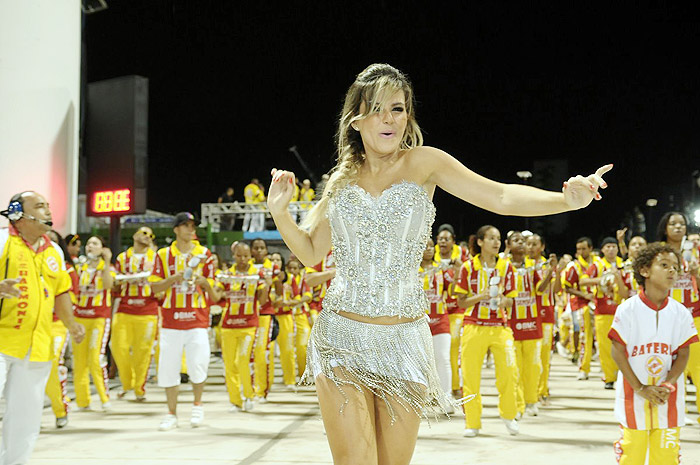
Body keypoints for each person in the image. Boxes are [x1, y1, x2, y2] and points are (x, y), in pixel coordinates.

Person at [266, 63, 609, 464]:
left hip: (404, 340)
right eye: (377, 109)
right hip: (340, 339)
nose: (389, 119)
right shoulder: (340, 180)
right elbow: (309, 252)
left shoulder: (426, 163)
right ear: (356, 118)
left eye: (398, 108)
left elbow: (498, 197)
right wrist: (280, 212)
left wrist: (564, 200)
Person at [0, 191, 85, 464]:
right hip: (2, 341)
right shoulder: (2, 241)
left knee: (26, 415)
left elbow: (61, 292)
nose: (48, 210)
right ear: (18, 214)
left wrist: (71, 324)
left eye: (48, 205)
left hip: (37, 346)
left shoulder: (54, 251)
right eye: (39, 206)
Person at [609, 243, 698, 464]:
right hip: (633, 397)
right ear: (645, 271)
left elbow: (683, 353)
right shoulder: (627, 309)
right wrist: (640, 387)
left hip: (668, 399)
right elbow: (617, 352)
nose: (671, 271)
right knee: (631, 456)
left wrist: (668, 384)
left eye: (675, 267)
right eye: (664, 265)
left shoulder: (680, 312)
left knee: (667, 458)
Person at [149, 212, 217, 430]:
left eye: (192, 225)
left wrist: (204, 282)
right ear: (176, 229)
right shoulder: (162, 255)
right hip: (170, 321)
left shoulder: (205, 254)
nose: (191, 229)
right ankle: (171, 413)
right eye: (186, 225)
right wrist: (174, 279)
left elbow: (215, 294)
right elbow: (154, 287)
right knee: (168, 368)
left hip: (197, 319)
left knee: (198, 364)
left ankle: (197, 405)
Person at [656, 212, 700, 425]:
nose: (678, 227)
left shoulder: (695, 250)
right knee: (668, 366)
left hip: (695, 313)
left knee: (698, 365)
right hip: (667, 316)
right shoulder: (658, 252)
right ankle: (672, 408)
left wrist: (696, 274)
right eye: (673, 224)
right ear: (665, 228)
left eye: (682, 224)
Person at [112, 227, 159, 401]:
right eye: (144, 232)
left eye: (150, 235)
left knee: (143, 352)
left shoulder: (156, 258)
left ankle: (139, 388)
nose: (147, 237)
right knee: (118, 347)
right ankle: (127, 383)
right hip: (124, 308)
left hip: (148, 310)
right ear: (134, 235)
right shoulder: (122, 258)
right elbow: (115, 283)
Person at [217, 242, 264, 412]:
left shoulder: (257, 274)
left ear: (250, 256)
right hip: (228, 325)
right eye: (239, 256)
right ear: (234, 256)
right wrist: (210, 286)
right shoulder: (227, 275)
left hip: (249, 325)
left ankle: (249, 396)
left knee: (243, 360)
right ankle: (235, 401)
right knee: (229, 364)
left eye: (246, 256)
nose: (242, 259)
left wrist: (266, 283)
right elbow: (216, 297)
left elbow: (264, 300)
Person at [580, 237, 630, 389]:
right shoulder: (598, 265)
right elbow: (582, 281)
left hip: (623, 310)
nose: (611, 249)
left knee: (624, 344)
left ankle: (623, 376)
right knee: (604, 345)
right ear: (602, 250)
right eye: (607, 246)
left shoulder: (624, 264)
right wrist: (601, 279)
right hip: (602, 311)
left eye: (613, 246)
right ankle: (609, 377)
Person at [73, 235, 115, 412]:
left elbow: (107, 285)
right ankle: (83, 401)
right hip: (79, 318)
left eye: (95, 243)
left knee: (95, 358)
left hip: (99, 318)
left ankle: (105, 399)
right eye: (89, 243)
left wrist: (106, 262)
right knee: (79, 361)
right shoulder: (79, 266)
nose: (90, 246)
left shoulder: (107, 267)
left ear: (103, 248)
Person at [506, 231, 545, 418]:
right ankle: (519, 405)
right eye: (516, 241)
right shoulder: (503, 266)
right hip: (511, 326)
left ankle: (532, 401)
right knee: (515, 368)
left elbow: (541, 290)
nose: (521, 244)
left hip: (532, 325)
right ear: (508, 245)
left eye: (523, 241)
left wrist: (552, 272)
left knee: (533, 368)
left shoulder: (532, 266)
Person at [44, 230, 80, 428]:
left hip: (57, 324)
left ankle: (60, 409)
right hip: (31, 326)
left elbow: (70, 297)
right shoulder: (27, 262)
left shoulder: (67, 269)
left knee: (53, 365)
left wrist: (71, 324)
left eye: (52, 240)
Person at [526, 233, 560, 405]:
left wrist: (556, 270)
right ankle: (528, 391)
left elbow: (556, 289)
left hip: (545, 314)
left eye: (534, 244)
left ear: (542, 247)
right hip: (526, 315)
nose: (530, 247)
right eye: (528, 244)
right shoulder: (522, 264)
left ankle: (542, 390)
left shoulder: (547, 265)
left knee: (544, 356)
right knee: (528, 357)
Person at [420, 238, 453, 412]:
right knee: (422, 363)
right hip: (419, 323)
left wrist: (455, 273)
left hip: (441, 320)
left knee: (443, 359)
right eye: (425, 246)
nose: (429, 249)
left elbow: (453, 292)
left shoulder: (441, 270)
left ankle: (446, 398)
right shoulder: (411, 271)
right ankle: (423, 399)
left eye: (431, 246)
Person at [435, 224, 467, 398]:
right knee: (442, 353)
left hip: (457, 310)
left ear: (453, 241)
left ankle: (456, 387)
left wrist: (460, 269)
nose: (443, 242)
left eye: (446, 239)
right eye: (440, 239)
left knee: (454, 348)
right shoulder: (431, 255)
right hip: (438, 311)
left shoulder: (461, 255)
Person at [249, 239, 283, 401]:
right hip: (247, 314)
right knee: (248, 354)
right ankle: (249, 388)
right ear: (252, 250)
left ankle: (262, 390)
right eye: (256, 248)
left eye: (262, 248)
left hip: (265, 314)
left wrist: (275, 284)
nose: (260, 250)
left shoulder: (272, 267)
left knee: (261, 352)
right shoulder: (246, 266)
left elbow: (279, 291)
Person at [563, 236, 599, 379]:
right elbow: (567, 287)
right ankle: (583, 367)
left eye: (583, 248)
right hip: (580, 305)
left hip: (599, 304)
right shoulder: (574, 266)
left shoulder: (598, 264)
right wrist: (585, 295)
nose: (580, 251)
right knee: (582, 335)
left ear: (590, 249)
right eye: (578, 249)